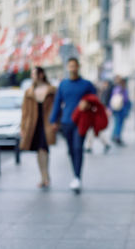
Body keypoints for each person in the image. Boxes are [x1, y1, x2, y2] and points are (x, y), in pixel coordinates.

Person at [49, 57, 96, 191]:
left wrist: (88, 104)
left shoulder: (87, 84)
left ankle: (77, 177)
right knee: (71, 150)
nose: (73, 68)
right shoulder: (63, 84)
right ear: (67, 67)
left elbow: (95, 100)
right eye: (70, 66)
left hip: (81, 122)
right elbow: (57, 103)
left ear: (78, 67)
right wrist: (53, 121)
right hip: (66, 122)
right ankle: (75, 174)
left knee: (78, 148)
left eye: (75, 66)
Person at [20, 66, 56, 188]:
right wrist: (23, 127)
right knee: (39, 150)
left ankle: (45, 177)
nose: (32, 76)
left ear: (41, 75)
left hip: (47, 123)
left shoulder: (52, 90)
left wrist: (56, 122)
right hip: (33, 124)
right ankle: (44, 176)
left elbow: (57, 107)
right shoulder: (29, 92)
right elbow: (24, 111)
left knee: (44, 149)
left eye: (34, 74)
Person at [109, 76, 131, 146]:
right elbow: (126, 100)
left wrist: (110, 108)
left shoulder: (116, 88)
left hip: (116, 108)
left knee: (117, 123)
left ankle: (114, 136)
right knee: (119, 124)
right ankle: (117, 137)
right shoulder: (123, 89)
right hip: (121, 108)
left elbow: (112, 99)